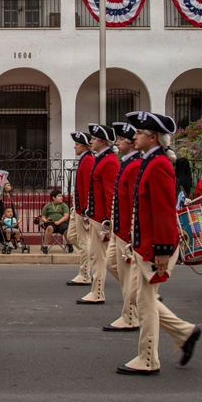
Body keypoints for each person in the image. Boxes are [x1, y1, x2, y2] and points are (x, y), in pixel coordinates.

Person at [117, 111, 201, 375]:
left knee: (144, 302)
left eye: (140, 133)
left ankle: (149, 358)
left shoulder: (158, 164)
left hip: (156, 246)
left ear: (152, 137)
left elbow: (164, 211)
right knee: (138, 298)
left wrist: (163, 251)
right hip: (146, 243)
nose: (135, 137)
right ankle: (184, 332)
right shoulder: (149, 161)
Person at [102, 121, 141, 332]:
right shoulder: (126, 162)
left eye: (120, 139)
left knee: (127, 273)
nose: (116, 142)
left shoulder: (134, 164)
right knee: (112, 265)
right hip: (119, 226)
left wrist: (129, 232)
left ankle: (131, 315)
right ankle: (139, 297)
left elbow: (134, 202)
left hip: (126, 229)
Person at [79, 124, 119, 305]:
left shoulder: (109, 161)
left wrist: (108, 219)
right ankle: (97, 291)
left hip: (102, 218)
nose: (91, 141)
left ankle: (99, 291)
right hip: (97, 215)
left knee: (104, 259)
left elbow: (111, 193)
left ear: (103, 141)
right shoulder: (102, 159)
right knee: (97, 257)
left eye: (94, 139)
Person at [67, 131, 94, 286]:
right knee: (71, 236)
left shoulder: (88, 160)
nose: (74, 146)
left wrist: (85, 208)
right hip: (77, 206)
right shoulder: (84, 159)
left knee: (84, 242)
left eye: (77, 144)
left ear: (84, 146)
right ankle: (92, 256)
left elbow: (87, 187)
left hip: (82, 207)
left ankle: (84, 274)